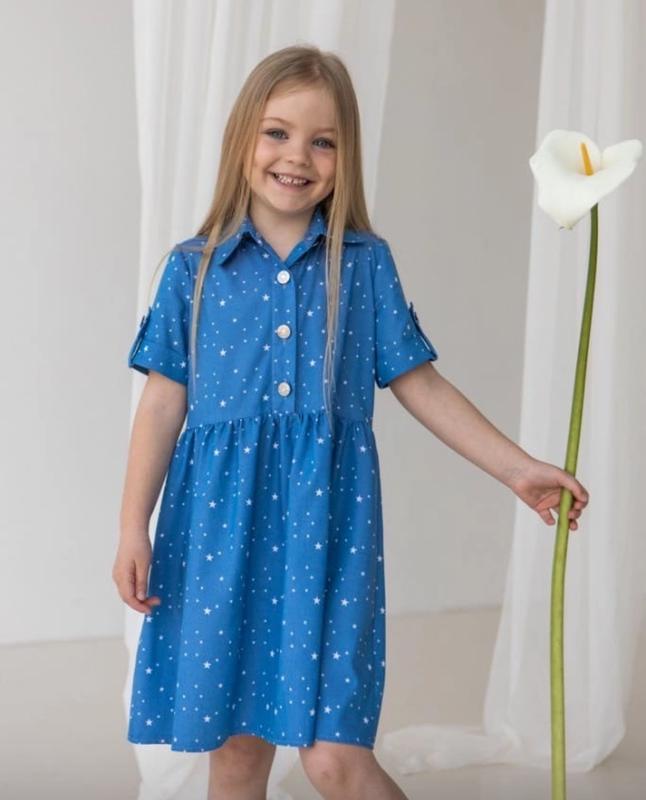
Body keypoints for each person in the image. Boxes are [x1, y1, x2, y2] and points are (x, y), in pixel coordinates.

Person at [112, 43, 589, 800]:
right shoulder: (192, 270)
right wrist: (132, 526)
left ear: (345, 157)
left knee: (335, 759)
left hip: (326, 540)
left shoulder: (362, 264)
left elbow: (419, 383)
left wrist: (517, 468)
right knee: (235, 756)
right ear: (241, 138)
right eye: (277, 133)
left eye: (323, 141)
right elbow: (162, 405)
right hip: (217, 540)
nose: (297, 156)